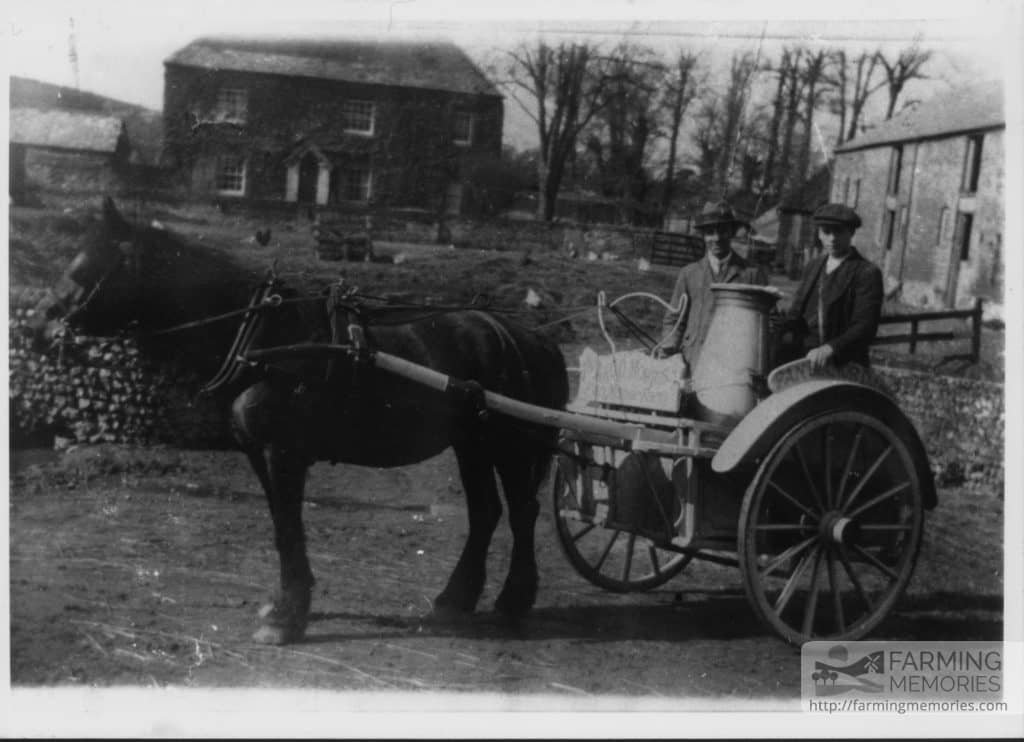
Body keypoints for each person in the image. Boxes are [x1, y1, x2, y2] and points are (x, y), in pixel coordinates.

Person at [658, 200, 767, 365]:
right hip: (692, 361)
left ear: (732, 232)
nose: (716, 238)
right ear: (703, 235)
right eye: (710, 232)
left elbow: (765, 324)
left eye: (722, 231)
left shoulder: (752, 274)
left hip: (733, 365)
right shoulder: (689, 273)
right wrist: (670, 344)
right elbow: (674, 319)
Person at [778, 203, 883, 369]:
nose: (832, 238)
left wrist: (830, 348)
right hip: (803, 361)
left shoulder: (866, 273)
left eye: (839, 231)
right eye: (826, 232)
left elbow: (865, 327)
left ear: (851, 232)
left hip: (842, 364)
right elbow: (796, 313)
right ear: (819, 234)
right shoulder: (813, 266)